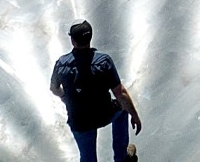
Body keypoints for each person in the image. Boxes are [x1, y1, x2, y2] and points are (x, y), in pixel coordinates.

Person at [49, 20, 141, 162]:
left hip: (79, 120)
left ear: (73, 41)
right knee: (122, 110)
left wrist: (65, 97)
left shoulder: (61, 63)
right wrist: (134, 115)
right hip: (103, 113)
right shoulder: (103, 61)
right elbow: (120, 93)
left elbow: (54, 88)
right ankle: (122, 157)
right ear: (90, 37)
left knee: (87, 156)